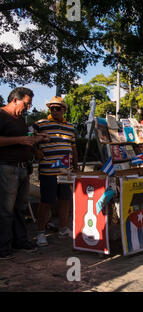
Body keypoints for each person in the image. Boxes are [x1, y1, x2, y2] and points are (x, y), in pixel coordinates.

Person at [0, 87, 50, 259]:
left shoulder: (20, 119)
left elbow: (25, 140)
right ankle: (3, 247)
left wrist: (36, 141)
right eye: (26, 104)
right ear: (15, 99)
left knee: (20, 208)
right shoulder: (1, 115)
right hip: (7, 167)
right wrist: (20, 139)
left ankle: (20, 241)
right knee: (6, 209)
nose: (28, 108)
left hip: (23, 168)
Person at [33, 96, 78, 247]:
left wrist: (76, 166)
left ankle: (63, 229)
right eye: (51, 108)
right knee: (46, 201)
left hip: (65, 171)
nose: (54, 110)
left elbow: (73, 147)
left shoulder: (70, 127)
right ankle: (40, 233)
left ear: (64, 110)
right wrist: (36, 151)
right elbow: (30, 139)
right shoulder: (40, 124)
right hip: (48, 170)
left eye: (57, 108)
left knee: (65, 200)